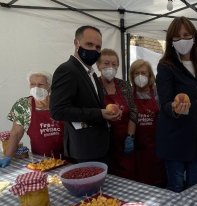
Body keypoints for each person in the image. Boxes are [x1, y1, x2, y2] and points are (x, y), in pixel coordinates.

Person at [50, 25, 121, 163]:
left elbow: (90, 104)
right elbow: (57, 111)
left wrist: (108, 114)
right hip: (84, 149)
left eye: (98, 47)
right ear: (76, 43)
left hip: (99, 146)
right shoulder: (67, 70)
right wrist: (99, 113)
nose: (94, 50)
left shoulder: (91, 74)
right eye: (89, 44)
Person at [156, 16, 197, 193]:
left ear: (194, 37)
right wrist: (174, 107)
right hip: (175, 138)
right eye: (177, 37)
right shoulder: (166, 66)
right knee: (176, 187)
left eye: (186, 35)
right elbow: (164, 102)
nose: (182, 40)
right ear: (171, 41)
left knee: (195, 186)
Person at [0, 72, 64, 171]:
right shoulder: (23, 106)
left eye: (41, 84)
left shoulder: (61, 102)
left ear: (49, 86)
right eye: (32, 84)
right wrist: (7, 156)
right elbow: (16, 133)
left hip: (67, 158)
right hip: (41, 161)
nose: (36, 87)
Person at [96, 49, 137, 180]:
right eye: (106, 64)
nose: (110, 67)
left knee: (127, 175)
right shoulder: (93, 85)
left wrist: (130, 136)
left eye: (114, 64)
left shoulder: (124, 85)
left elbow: (133, 111)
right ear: (98, 65)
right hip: (103, 142)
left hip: (124, 139)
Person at [129, 59, 166, 186]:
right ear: (132, 76)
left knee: (157, 181)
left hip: (156, 148)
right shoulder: (129, 94)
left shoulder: (157, 93)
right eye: (136, 73)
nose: (140, 76)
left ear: (150, 75)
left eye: (143, 73)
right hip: (138, 149)